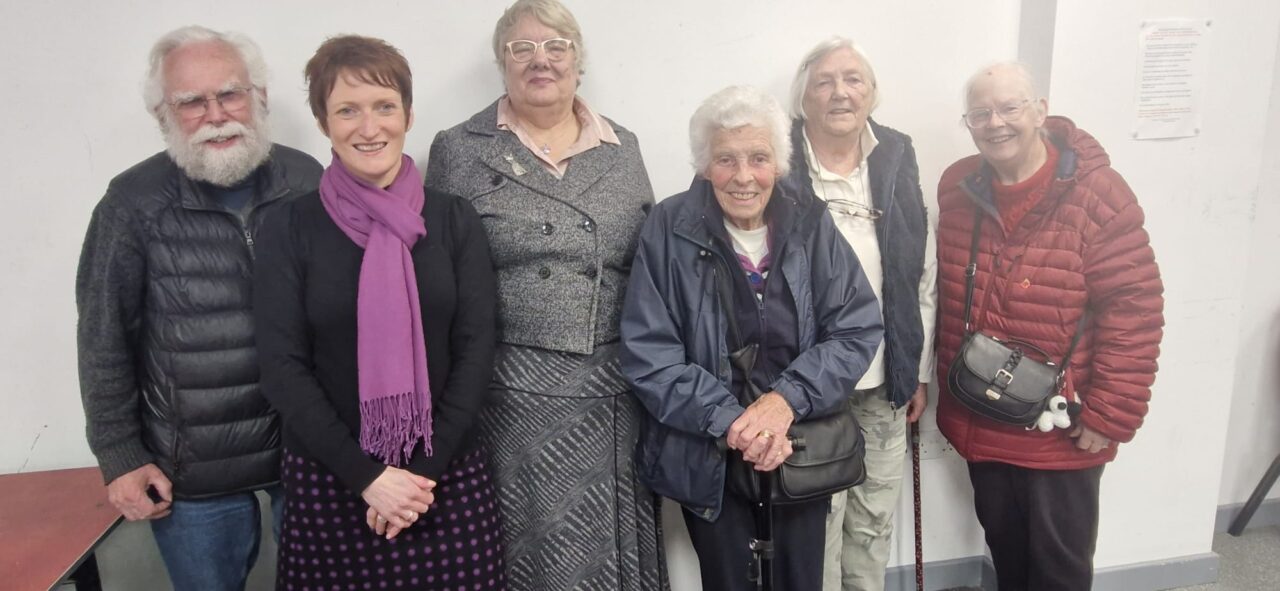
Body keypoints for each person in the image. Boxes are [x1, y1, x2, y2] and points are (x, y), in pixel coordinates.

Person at [423, 1, 666, 589]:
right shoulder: (458, 147)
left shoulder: (622, 146)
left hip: (613, 387)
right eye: (521, 49)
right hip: (510, 390)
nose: (541, 61)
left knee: (610, 549)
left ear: (577, 61)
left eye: (556, 46)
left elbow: (649, 263)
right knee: (531, 548)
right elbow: (436, 277)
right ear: (501, 64)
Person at [75, 25, 320, 589]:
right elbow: (102, 336)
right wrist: (119, 455)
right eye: (191, 101)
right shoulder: (131, 204)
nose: (216, 114)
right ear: (164, 114)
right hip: (193, 471)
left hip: (306, 453)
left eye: (230, 93)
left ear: (258, 97)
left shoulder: (307, 179)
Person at [254, 35, 503, 589]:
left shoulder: (454, 219)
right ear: (324, 122)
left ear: (408, 116)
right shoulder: (288, 228)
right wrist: (369, 478)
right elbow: (281, 367)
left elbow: (476, 351)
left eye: (384, 107)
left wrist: (419, 477)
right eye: (348, 110)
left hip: (444, 478)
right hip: (332, 479)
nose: (369, 128)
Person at [621, 85, 884, 591]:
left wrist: (784, 402)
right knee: (729, 581)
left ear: (779, 164)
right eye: (726, 159)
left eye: (758, 158)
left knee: (801, 580)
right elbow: (649, 354)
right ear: (704, 166)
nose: (744, 176)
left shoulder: (810, 220)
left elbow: (856, 327)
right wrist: (736, 423)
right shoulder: (668, 227)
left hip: (802, 445)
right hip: (709, 450)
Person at [935, 62, 1164, 591]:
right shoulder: (957, 185)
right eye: (980, 112)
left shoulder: (1098, 193)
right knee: (1008, 556)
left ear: (1040, 111)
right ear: (967, 123)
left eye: (1010, 107)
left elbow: (1135, 309)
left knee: (1059, 570)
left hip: (1062, 425)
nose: (996, 122)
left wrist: (1110, 413)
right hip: (981, 412)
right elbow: (940, 294)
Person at [781, 38, 937, 591]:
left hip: (883, 378)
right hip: (807, 381)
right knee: (814, 521)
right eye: (824, 81)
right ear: (803, 98)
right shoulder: (778, 158)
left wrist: (914, 367)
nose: (840, 92)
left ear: (871, 94)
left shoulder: (895, 152)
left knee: (872, 523)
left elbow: (920, 266)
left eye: (853, 79)